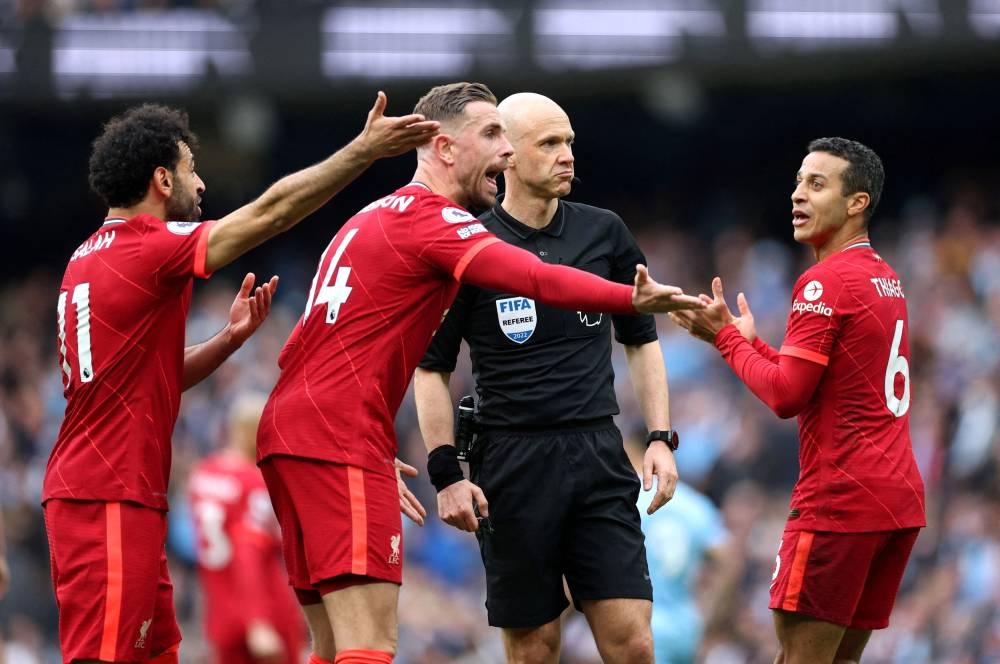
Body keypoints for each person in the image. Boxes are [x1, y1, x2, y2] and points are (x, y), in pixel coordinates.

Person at [255, 81, 704, 664]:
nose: (507, 153)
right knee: (372, 646)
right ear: (444, 148)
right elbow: (534, 283)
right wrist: (630, 299)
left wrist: (361, 432)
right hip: (472, 454)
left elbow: (306, 345)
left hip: (306, 428)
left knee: (331, 645)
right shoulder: (443, 227)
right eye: (495, 136)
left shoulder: (372, 216)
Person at [43, 95, 437, 664]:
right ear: (161, 179)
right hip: (107, 495)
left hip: (112, 491)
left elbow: (145, 380)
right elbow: (268, 213)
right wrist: (364, 151)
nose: (199, 184)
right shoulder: (144, 248)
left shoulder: (87, 257)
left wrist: (226, 343)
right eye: (190, 171)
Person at [413, 92, 678, 664]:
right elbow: (430, 367)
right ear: (508, 155)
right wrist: (445, 473)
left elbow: (642, 340)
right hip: (511, 462)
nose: (567, 156)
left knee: (633, 642)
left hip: (598, 453)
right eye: (550, 144)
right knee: (535, 647)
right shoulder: (467, 245)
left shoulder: (604, 233)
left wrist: (659, 437)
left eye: (570, 143)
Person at [669, 137, 925, 664]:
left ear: (857, 203)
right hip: (896, 500)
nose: (797, 196)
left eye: (816, 184)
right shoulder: (885, 278)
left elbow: (786, 397)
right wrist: (747, 341)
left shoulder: (823, 280)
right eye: (797, 183)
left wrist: (725, 340)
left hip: (840, 502)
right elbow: (819, 383)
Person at [188, 392, 305, 664]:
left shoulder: (203, 473)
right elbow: (246, 549)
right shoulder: (252, 483)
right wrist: (257, 620)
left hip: (220, 607)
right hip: (264, 606)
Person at [623, 432, 737, 664]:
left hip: (638, 623)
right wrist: (707, 615)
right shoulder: (699, 508)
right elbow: (729, 561)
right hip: (685, 627)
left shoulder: (627, 500)